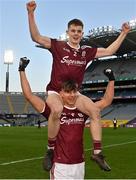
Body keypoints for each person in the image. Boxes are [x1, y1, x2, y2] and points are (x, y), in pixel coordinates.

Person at [26, 0, 130, 171]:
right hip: (56, 92)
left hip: (75, 93)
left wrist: (124, 33)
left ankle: (97, 152)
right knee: (57, 111)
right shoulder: (58, 46)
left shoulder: (86, 51)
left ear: (82, 33)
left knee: (95, 111)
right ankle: (50, 150)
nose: (76, 34)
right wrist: (31, 13)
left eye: (79, 31)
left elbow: (110, 51)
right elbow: (36, 37)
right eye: (73, 31)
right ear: (67, 32)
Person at [19, 58, 115, 175]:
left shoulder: (83, 110)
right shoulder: (53, 110)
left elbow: (106, 101)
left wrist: (111, 79)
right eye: (68, 92)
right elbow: (29, 96)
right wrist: (22, 70)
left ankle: (97, 153)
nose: (72, 95)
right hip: (60, 165)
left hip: (79, 163)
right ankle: (50, 151)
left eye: (74, 92)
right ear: (60, 93)